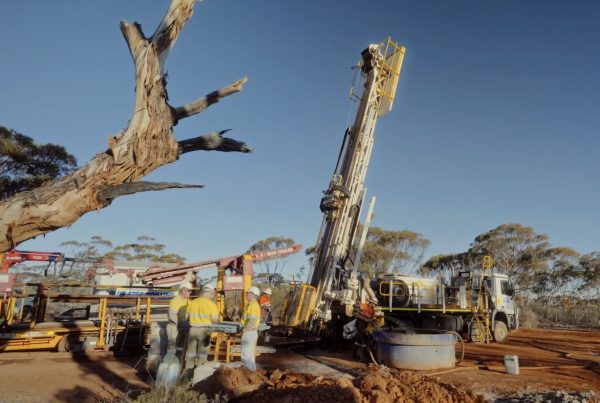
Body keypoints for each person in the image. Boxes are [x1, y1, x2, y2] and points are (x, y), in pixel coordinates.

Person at [184, 284, 219, 377]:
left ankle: (187, 378)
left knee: (190, 356)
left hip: (192, 330)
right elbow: (215, 319)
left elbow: (186, 318)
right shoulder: (211, 304)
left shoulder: (192, 302)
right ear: (211, 293)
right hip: (204, 331)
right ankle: (198, 379)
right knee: (202, 357)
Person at [166, 281, 192, 356]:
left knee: (181, 347)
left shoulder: (189, 302)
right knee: (172, 345)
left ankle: (178, 360)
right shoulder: (175, 301)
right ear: (183, 291)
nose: (190, 293)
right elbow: (172, 316)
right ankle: (169, 360)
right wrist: (180, 325)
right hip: (174, 327)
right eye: (189, 291)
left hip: (184, 327)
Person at [240, 286, 261, 371]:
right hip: (251, 332)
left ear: (252, 294)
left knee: (246, 355)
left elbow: (252, 320)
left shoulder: (253, 305)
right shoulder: (251, 305)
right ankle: (251, 373)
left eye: (247, 293)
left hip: (249, 332)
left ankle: (246, 373)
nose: (246, 295)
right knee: (250, 356)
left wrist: (245, 331)